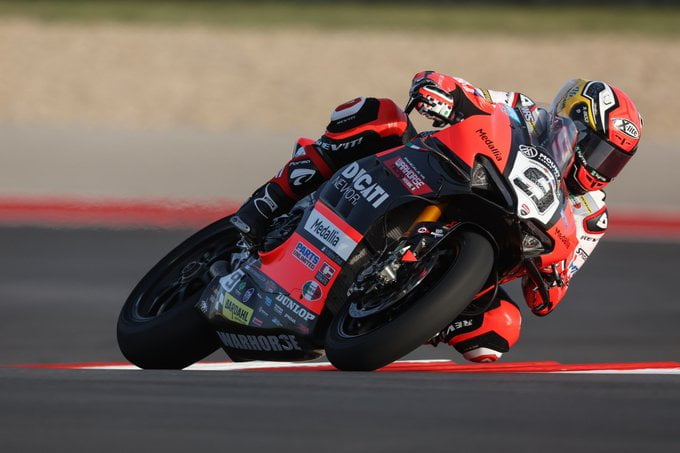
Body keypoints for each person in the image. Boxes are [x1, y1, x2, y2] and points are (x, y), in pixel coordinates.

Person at [230, 71, 643, 363]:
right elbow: (464, 92)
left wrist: (551, 281)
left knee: (498, 333)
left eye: (615, 161)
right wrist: (440, 91)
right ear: (570, 124)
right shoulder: (525, 113)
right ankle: (269, 202)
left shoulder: (592, 217)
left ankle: (405, 312)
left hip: (489, 249)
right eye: (598, 149)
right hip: (439, 176)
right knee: (377, 116)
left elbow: (551, 293)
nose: (599, 168)